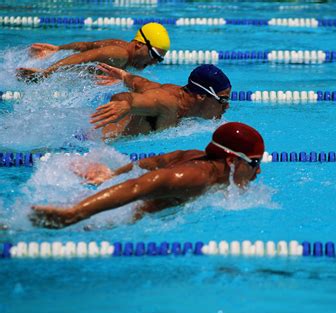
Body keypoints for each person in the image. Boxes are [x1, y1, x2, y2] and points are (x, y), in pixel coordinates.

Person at [31, 122, 265, 229]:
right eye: (254, 163)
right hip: (106, 221)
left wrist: (112, 174)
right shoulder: (195, 176)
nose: (258, 171)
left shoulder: (196, 156)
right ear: (232, 160)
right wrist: (77, 213)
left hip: (106, 203)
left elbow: (157, 161)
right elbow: (138, 186)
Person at [90, 63, 232, 139]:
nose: (226, 107)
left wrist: (123, 75)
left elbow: (143, 83)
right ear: (201, 96)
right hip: (95, 144)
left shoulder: (176, 95)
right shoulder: (167, 103)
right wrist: (124, 104)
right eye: (223, 100)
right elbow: (129, 98)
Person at [16, 22, 170, 82]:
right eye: (154, 55)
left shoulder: (120, 45)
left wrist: (58, 49)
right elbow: (82, 57)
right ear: (139, 45)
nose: (154, 62)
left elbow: (86, 45)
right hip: (62, 75)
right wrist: (46, 73)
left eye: (159, 59)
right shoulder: (119, 54)